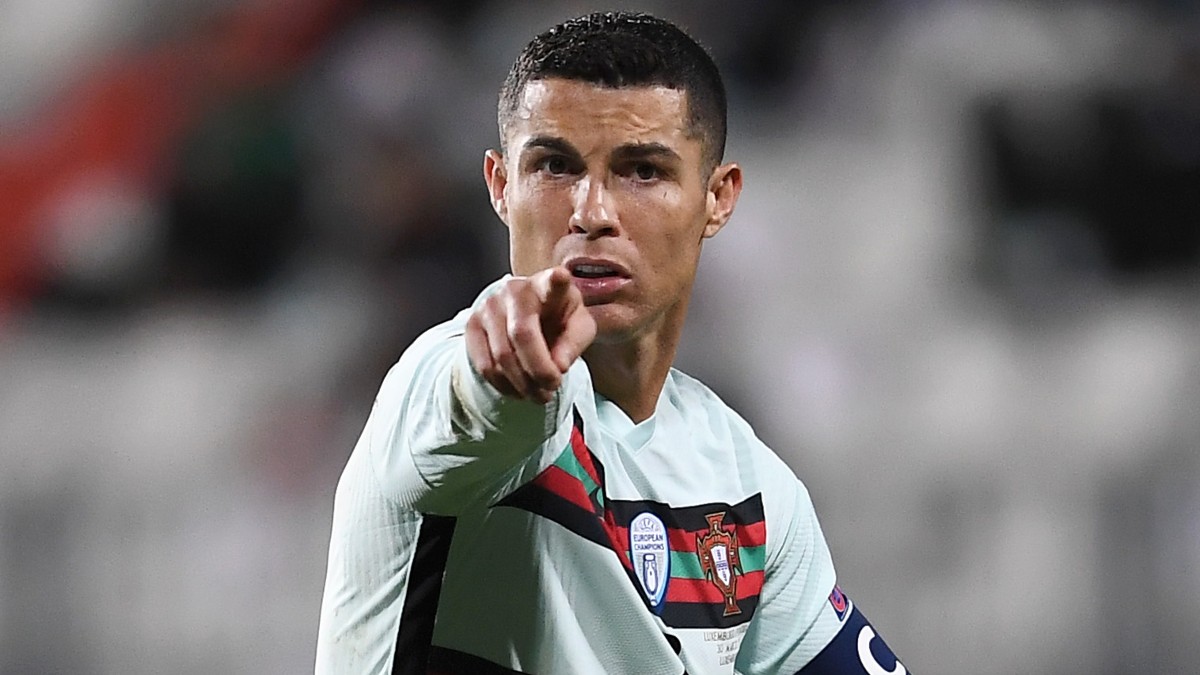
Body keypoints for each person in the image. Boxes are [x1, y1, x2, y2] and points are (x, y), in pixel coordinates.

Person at [315, 11, 907, 675]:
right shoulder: (434, 384)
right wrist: (502, 363)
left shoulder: (750, 488)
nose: (591, 212)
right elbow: (476, 403)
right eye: (554, 166)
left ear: (717, 197)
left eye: (643, 171)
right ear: (501, 188)